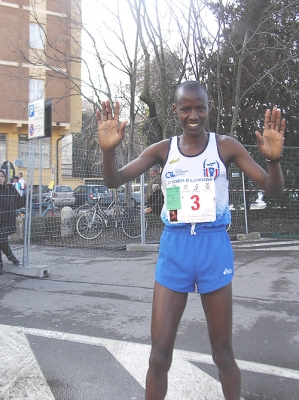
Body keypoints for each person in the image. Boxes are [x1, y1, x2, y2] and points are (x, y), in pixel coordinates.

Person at [96, 81, 285, 400]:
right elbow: (115, 180)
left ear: (209, 108)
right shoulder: (162, 150)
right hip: (175, 250)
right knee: (159, 355)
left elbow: (273, 189)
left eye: (200, 108)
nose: (193, 115)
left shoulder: (226, 147)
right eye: (186, 109)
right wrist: (108, 151)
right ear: (175, 111)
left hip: (213, 249)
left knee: (223, 353)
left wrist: (274, 161)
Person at [0, 170, 22, 273]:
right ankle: (12, 259)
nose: (0, 178)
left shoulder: (10, 188)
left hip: (7, 221)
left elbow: (19, 201)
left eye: (2, 176)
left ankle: (10, 258)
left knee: (2, 238)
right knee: (1, 239)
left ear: (5, 178)